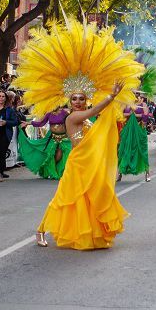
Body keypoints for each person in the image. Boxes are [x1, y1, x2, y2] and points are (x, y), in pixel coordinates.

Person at [12, 20, 144, 250]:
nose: (78, 102)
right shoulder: (73, 117)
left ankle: (91, 231)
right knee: (64, 198)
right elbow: (96, 112)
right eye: (74, 99)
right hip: (77, 164)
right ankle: (40, 230)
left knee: (90, 197)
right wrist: (111, 98)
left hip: (89, 164)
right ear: (69, 101)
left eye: (82, 98)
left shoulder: (86, 118)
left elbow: (99, 126)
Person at [17, 107, 72, 179]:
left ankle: (58, 171)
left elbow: (71, 122)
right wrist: (28, 123)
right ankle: (52, 171)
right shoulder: (49, 113)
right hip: (52, 137)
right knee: (50, 155)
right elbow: (41, 123)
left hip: (63, 137)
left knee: (60, 155)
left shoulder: (65, 113)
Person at [117, 93, 152, 182]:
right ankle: (119, 173)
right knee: (123, 149)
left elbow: (146, 115)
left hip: (139, 130)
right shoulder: (126, 103)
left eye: (137, 94)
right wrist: (129, 113)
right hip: (127, 130)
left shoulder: (143, 104)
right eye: (134, 94)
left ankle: (147, 173)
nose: (136, 96)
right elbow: (120, 114)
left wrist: (135, 115)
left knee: (143, 150)